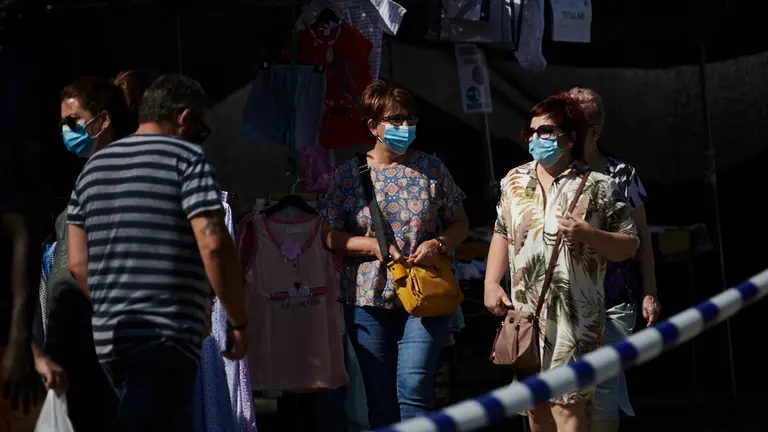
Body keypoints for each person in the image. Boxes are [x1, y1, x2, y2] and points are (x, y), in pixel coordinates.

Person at [66, 74, 248, 431]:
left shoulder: (91, 169)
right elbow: (212, 245)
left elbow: (76, 264)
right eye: (200, 126)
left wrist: (111, 307)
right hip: (169, 330)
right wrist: (237, 320)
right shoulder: (187, 158)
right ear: (183, 118)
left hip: (112, 337)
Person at [484, 94, 640, 432]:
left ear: (569, 138)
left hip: (575, 318)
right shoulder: (513, 181)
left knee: (567, 406)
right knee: (535, 408)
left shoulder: (598, 185)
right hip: (526, 318)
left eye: (546, 131)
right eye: (532, 131)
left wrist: (589, 235)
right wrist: (491, 283)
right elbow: (502, 231)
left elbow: (629, 245)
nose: (536, 138)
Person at [319, 80, 469, 428]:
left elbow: (460, 222)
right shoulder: (347, 175)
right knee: (380, 398)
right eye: (396, 120)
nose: (406, 127)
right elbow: (328, 236)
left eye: (410, 119)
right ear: (373, 126)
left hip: (425, 295)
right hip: (367, 298)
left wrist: (440, 244)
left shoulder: (432, 169)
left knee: (415, 388)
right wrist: (372, 246)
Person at [44, 72, 154, 431]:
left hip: (96, 334)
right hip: (81, 331)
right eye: (62, 122)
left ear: (103, 120)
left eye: (72, 121)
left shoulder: (111, 172)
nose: (65, 131)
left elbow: (83, 263)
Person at [567, 87, 661, 431]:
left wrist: (650, 290)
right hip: (566, 303)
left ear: (596, 130)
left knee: (604, 388)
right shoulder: (549, 174)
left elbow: (642, 239)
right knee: (569, 393)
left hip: (614, 299)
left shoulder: (622, 175)